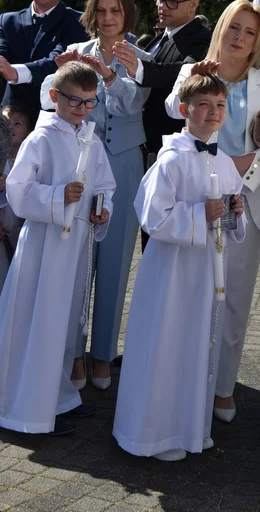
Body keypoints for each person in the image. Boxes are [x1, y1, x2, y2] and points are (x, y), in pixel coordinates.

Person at [165, 0, 260, 422]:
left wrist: (246, 166)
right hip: (195, 198)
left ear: (258, 41)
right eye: (234, 27)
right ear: (221, 28)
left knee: (234, 298)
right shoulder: (193, 71)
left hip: (247, 202)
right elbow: (171, 107)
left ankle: (222, 388)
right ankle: (184, 379)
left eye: (250, 32)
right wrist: (196, 80)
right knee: (193, 292)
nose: (240, 37)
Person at [113, 73, 246, 461]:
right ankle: (153, 435)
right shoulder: (170, 159)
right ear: (185, 110)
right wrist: (198, 214)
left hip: (205, 271)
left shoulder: (224, 160)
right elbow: (152, 218)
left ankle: (189, 428)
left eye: (220, 105)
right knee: (167, 342)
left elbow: (231, 219)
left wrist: (236, 213)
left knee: (195, 344)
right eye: (204, 104)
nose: (213, 112)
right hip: (171, 271)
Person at [40, 0, 151, 391]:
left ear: (126, 13)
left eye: (115, 10)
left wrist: (108, 76)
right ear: (91, 12)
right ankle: (73, 353)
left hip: (122, 167)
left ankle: (103, 354)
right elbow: (49, 101)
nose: (107, 18)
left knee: (115, 264)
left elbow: (131, 104)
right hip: (77, 167)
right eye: (101, 10)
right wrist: (61, 76)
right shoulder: (76, 53)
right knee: (75, 261)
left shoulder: (140, 57)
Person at [0, 62, 116, 436]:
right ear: (54, 97)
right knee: (38, 320)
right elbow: (18, 189)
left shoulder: (91, 140)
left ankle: (56, 396)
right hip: (43, 247)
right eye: (74, 102)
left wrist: (102, 211)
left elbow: (105, 185)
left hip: (75, 246)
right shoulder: (40, 138)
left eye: (89, 103)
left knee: (64, 324)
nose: (82, 111)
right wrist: (56, 196)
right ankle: (25, 405)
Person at [114, 0, 211, 156]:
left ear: (193, 5)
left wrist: (140, 68)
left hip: (171, 149)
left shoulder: (202, 39)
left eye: (172, 1)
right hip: (141, 144)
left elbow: (183, 71)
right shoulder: (160, 38)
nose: (162, 6)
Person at [0, 0, 87, 119]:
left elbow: (58, 62)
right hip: (9, 121)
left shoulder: (78, 23)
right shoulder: (6, 21)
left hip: (52, 120)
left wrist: (15, 72)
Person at [0, 104, 32, 291]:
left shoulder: (29, 162)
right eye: (6, 122)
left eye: (17, 124)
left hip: (20, 235)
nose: (10, 127)